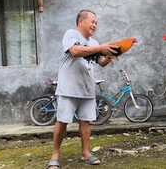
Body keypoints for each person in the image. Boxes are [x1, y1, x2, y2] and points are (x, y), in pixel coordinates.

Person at [47, 9, 118, 169]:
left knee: (85, 122)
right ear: (81, 22)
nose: (95, 25)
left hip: (87, 88)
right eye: (92, 21)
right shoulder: (71, 34)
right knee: (63, 121)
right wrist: (102, 47)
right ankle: (55, 155)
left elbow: (100, 62)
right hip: (68, 87)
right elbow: (75, 51)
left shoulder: (94, 43)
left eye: (96, 23)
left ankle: (86, 153)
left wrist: (109, 55)